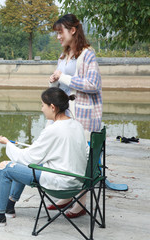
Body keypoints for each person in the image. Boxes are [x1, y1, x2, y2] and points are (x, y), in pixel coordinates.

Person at [0, 87, 88, 227]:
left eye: (42, 105)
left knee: (5, 167)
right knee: (20, 165)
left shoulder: (53, 130)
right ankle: (9, 206)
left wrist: (8, 143)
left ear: (52, 107)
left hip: (61, 182)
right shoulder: (77, 125)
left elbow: (27, 158)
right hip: (76, 181)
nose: (41, 109)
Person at [48, 14, 102, 218]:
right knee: (64, 156)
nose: (58, 37)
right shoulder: (63, 56)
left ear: (72, 30)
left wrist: (65, 77)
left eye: (60, 32)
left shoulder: (87, 54)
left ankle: (81, 203)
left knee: (81, 159)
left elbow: (92, 85)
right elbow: (61, 83)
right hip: (65, 116)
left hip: (83, 117)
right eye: (56, 33)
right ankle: (67, 195)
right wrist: (54, 80)